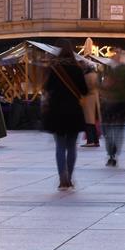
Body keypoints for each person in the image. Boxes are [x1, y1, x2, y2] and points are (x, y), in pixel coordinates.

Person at [42, 42, 88, 189]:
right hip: (74, 111)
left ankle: (63, 178)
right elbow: (85, 91)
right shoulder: (77, 69)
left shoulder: (54, 69)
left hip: (56, 111)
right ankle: (70, 178)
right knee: (72, 146)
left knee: (60, 146)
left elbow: (47, 88)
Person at [102, 52, 125, 166]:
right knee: (113, 131)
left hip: (117, 104)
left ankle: (112, 153)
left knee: (114, 130)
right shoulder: (108, 69)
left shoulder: (122, 70)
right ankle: (112, 152)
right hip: (113, 104)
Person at [81, 65, 101, 147]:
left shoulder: (87, 76)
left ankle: (90, 141)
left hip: (88, 99)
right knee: (93, 122)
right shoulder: (96, 75)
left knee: (88, 122)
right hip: (95, 99)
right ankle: (96, 141)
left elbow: (84, 88)